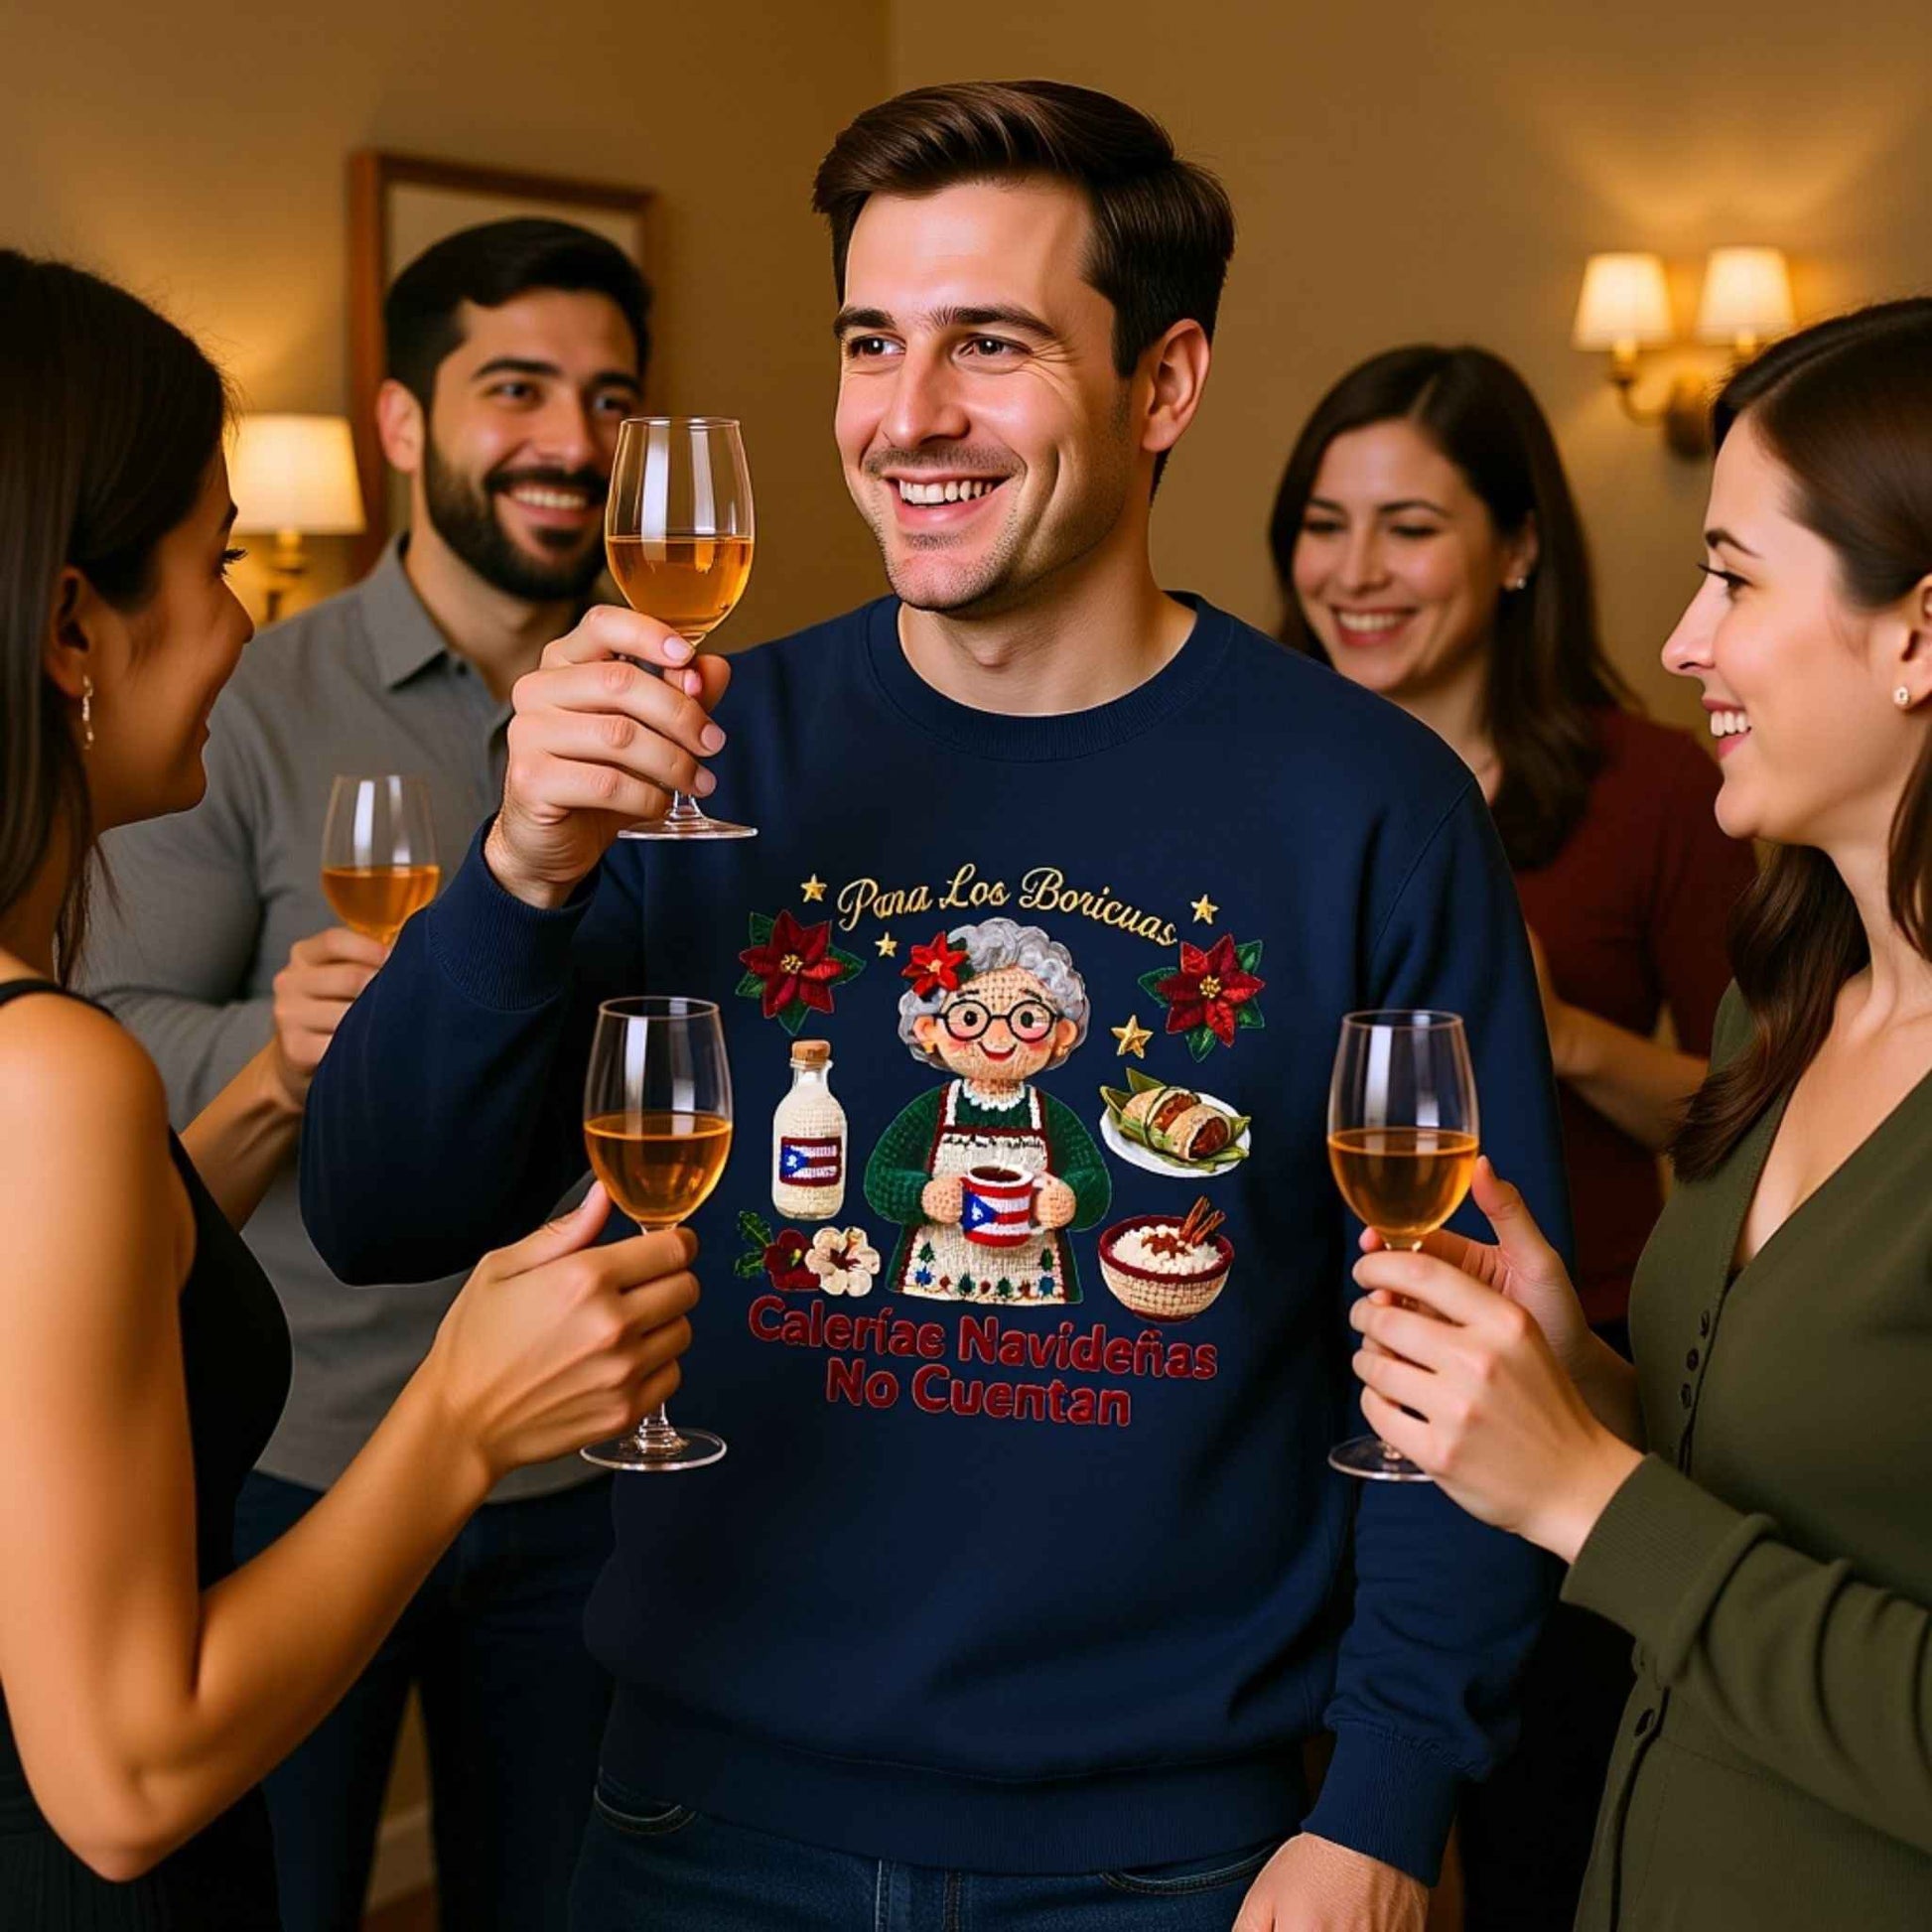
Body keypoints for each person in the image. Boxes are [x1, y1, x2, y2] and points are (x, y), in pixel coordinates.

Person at [303, 82, 1573, 1932]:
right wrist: (516, 865)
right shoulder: (700, 754)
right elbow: (379, 1205)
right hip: (685, 1823)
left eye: (991, 344)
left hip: (1171, 1852)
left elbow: (1468, 1361)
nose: (909, 418)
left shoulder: (1368, 805)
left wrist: (1385, 1802)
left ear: (1163, 384)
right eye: (870, 344)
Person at [0, 253, 696, 1930]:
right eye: (218, 556)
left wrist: (243, 1118)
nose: (245, 616)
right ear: (75, 624)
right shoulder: (53, 1073)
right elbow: (125, 1783)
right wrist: (461, 1399)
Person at [1347, 298, 1932, 1931]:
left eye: (1734, 577)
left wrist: (1580, 1493)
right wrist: (1577, 1377)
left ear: (1917, 633)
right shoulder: (1785, 1002)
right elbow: (1799, 1474)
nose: (1681, 640)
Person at [1271, 346, 1755, 1927]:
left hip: (1568, 1381)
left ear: (1517, 545)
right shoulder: (1259, 774)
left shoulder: (1660, 791)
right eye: (1321, 523)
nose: (1354, 572)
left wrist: (1548, 1032)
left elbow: (1754, 1123)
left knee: (1535, 1825)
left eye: (1406, 526)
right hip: (1287, 1380)